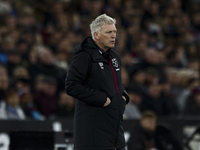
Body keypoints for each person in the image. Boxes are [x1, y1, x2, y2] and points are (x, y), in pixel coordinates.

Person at [65, 14, 130, 150]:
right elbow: (71, 86)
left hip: (115, 126)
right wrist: (102, 99)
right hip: (93, 129)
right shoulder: (84, 55)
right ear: (97, 35)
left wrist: (123, 97)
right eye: (108, 32)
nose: (113, 36)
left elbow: (115, 83)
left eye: (114, 32)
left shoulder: (114, 56)